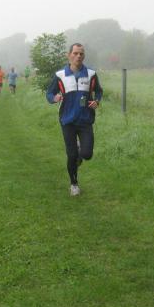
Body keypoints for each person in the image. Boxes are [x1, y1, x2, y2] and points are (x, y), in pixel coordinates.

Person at [46, 43, 103, 196]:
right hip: (67, 121)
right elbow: (49, 93)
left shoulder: (91, 74)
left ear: (84, 56)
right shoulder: (60, 75)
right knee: (71, 156)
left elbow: (99, 91)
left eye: (81, 54)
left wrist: (96, 101)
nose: (78, 56)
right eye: (76, 53)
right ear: (69, 55)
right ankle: (74, 184)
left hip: (85, 120)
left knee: (87, 154)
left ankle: (80, 152)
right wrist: (54, 98)